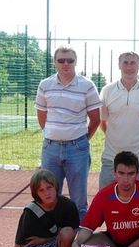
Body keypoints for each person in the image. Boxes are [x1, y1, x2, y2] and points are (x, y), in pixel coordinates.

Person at [35, 46, 101, 220]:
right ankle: (52, 239)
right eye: (61, 60)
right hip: (50, 148)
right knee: (48, 196)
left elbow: (95, 119)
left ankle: (78, 242)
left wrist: (81, 139)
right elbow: (42, 118)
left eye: (70, 60)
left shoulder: (87, 86)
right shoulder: (45, 85)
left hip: (77, 148)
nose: (66, 64)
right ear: (55, 62)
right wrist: (53, 134)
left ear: (76, 62)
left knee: (79, 200)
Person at [99, 51, 139, 189]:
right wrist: (116, 137)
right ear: (119, 66)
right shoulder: (107, 91)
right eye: (125, 63)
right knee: (106, 202)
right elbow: (103, 122)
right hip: (111, 158)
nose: (129, 67)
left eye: (133, 63)